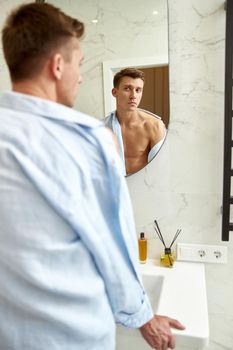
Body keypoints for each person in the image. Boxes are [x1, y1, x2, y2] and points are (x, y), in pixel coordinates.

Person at [0, 3, 185, 350]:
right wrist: (143, 317)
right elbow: (112, 246)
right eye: (79, 63)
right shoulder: (87, 138)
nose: (81, 76)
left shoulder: (150, 126)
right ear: (57, 66)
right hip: (71, 334)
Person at [104, 67, 167, 175]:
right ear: (115, 92)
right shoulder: (102, 128)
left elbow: (161, 170)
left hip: (144, 188)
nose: (133, 96)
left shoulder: (154, 126)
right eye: (127, 89)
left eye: (138, 90)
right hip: (114, 189)